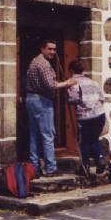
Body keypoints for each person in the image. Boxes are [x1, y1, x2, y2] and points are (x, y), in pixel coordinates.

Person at [25, 39, 77, 177]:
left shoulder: (34, 61)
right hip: (42, 100)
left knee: (34, 135)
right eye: (50, 49)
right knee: (48, 135)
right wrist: (67, 82)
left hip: (31, 99)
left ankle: (34, 168)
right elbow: (50, 85)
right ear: (42, 49)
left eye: (54, 49)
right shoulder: (44, 64)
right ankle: (51, 168)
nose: (53, 52)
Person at [66, 60, 107, 175]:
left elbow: (73, 100)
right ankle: (100, 160)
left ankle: (86, 166)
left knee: (84, 142)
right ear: (83, 70)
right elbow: (102, 98)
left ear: (71, 70)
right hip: (99, 115)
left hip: (85, 117)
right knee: (94, 139)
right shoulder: (93, 82)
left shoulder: (73, 83)